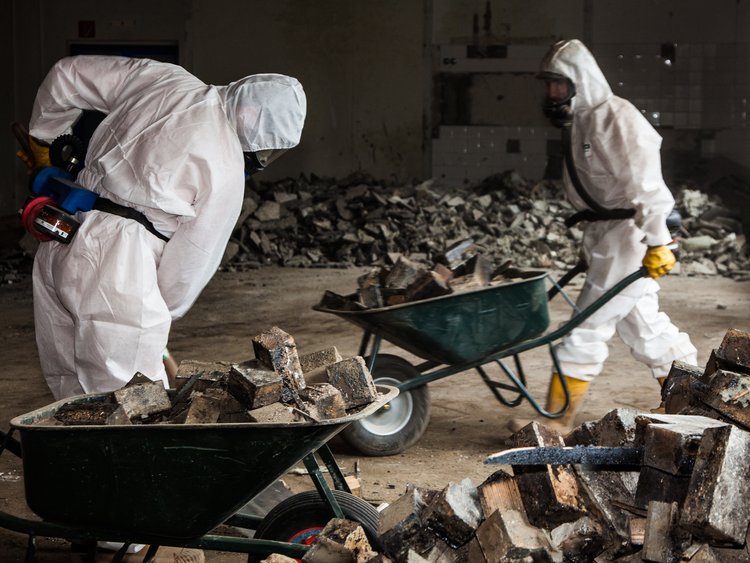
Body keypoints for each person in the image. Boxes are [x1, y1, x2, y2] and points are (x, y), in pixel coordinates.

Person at [25, 55, 306, 561]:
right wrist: (159, 311)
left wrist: (43, 142)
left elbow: (66, 74)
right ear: (260, 138)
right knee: (129, 402)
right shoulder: (224, 164)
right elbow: (188, 268)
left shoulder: (165, 78)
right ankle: (124, 531)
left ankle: (79, 512)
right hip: (119, 263)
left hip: (61, 234)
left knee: (69, 390)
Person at [510, 39, 697, 432]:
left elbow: (648, 187)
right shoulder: (581, 121)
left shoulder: (617, 118)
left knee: (585, 327)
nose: (552, 93)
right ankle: (695, 400)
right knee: (647, 329)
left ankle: (557, 422)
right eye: (548, 85)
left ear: (581, 80)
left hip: (628, 236)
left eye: (559, 85)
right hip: (604, 234)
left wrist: (659, 242)